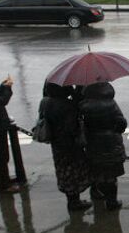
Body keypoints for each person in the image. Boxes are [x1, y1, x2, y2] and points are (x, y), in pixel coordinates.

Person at [39, 82, 91, 211]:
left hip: (56, 144)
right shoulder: (68, 106)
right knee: (72, 172)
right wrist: (78, 91)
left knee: (63, 171)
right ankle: (74, 202)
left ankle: (72, 200)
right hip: (70, 145)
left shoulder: (46, 102)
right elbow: (72, 128)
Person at [78, 82, 128, 210]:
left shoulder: (83, 106)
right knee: (111, 175)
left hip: (94, 143)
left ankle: (97, 192)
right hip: (111, 143)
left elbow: (81, 126)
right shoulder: (111, 103)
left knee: (98, 171)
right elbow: (121, 122)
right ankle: (112, 201)